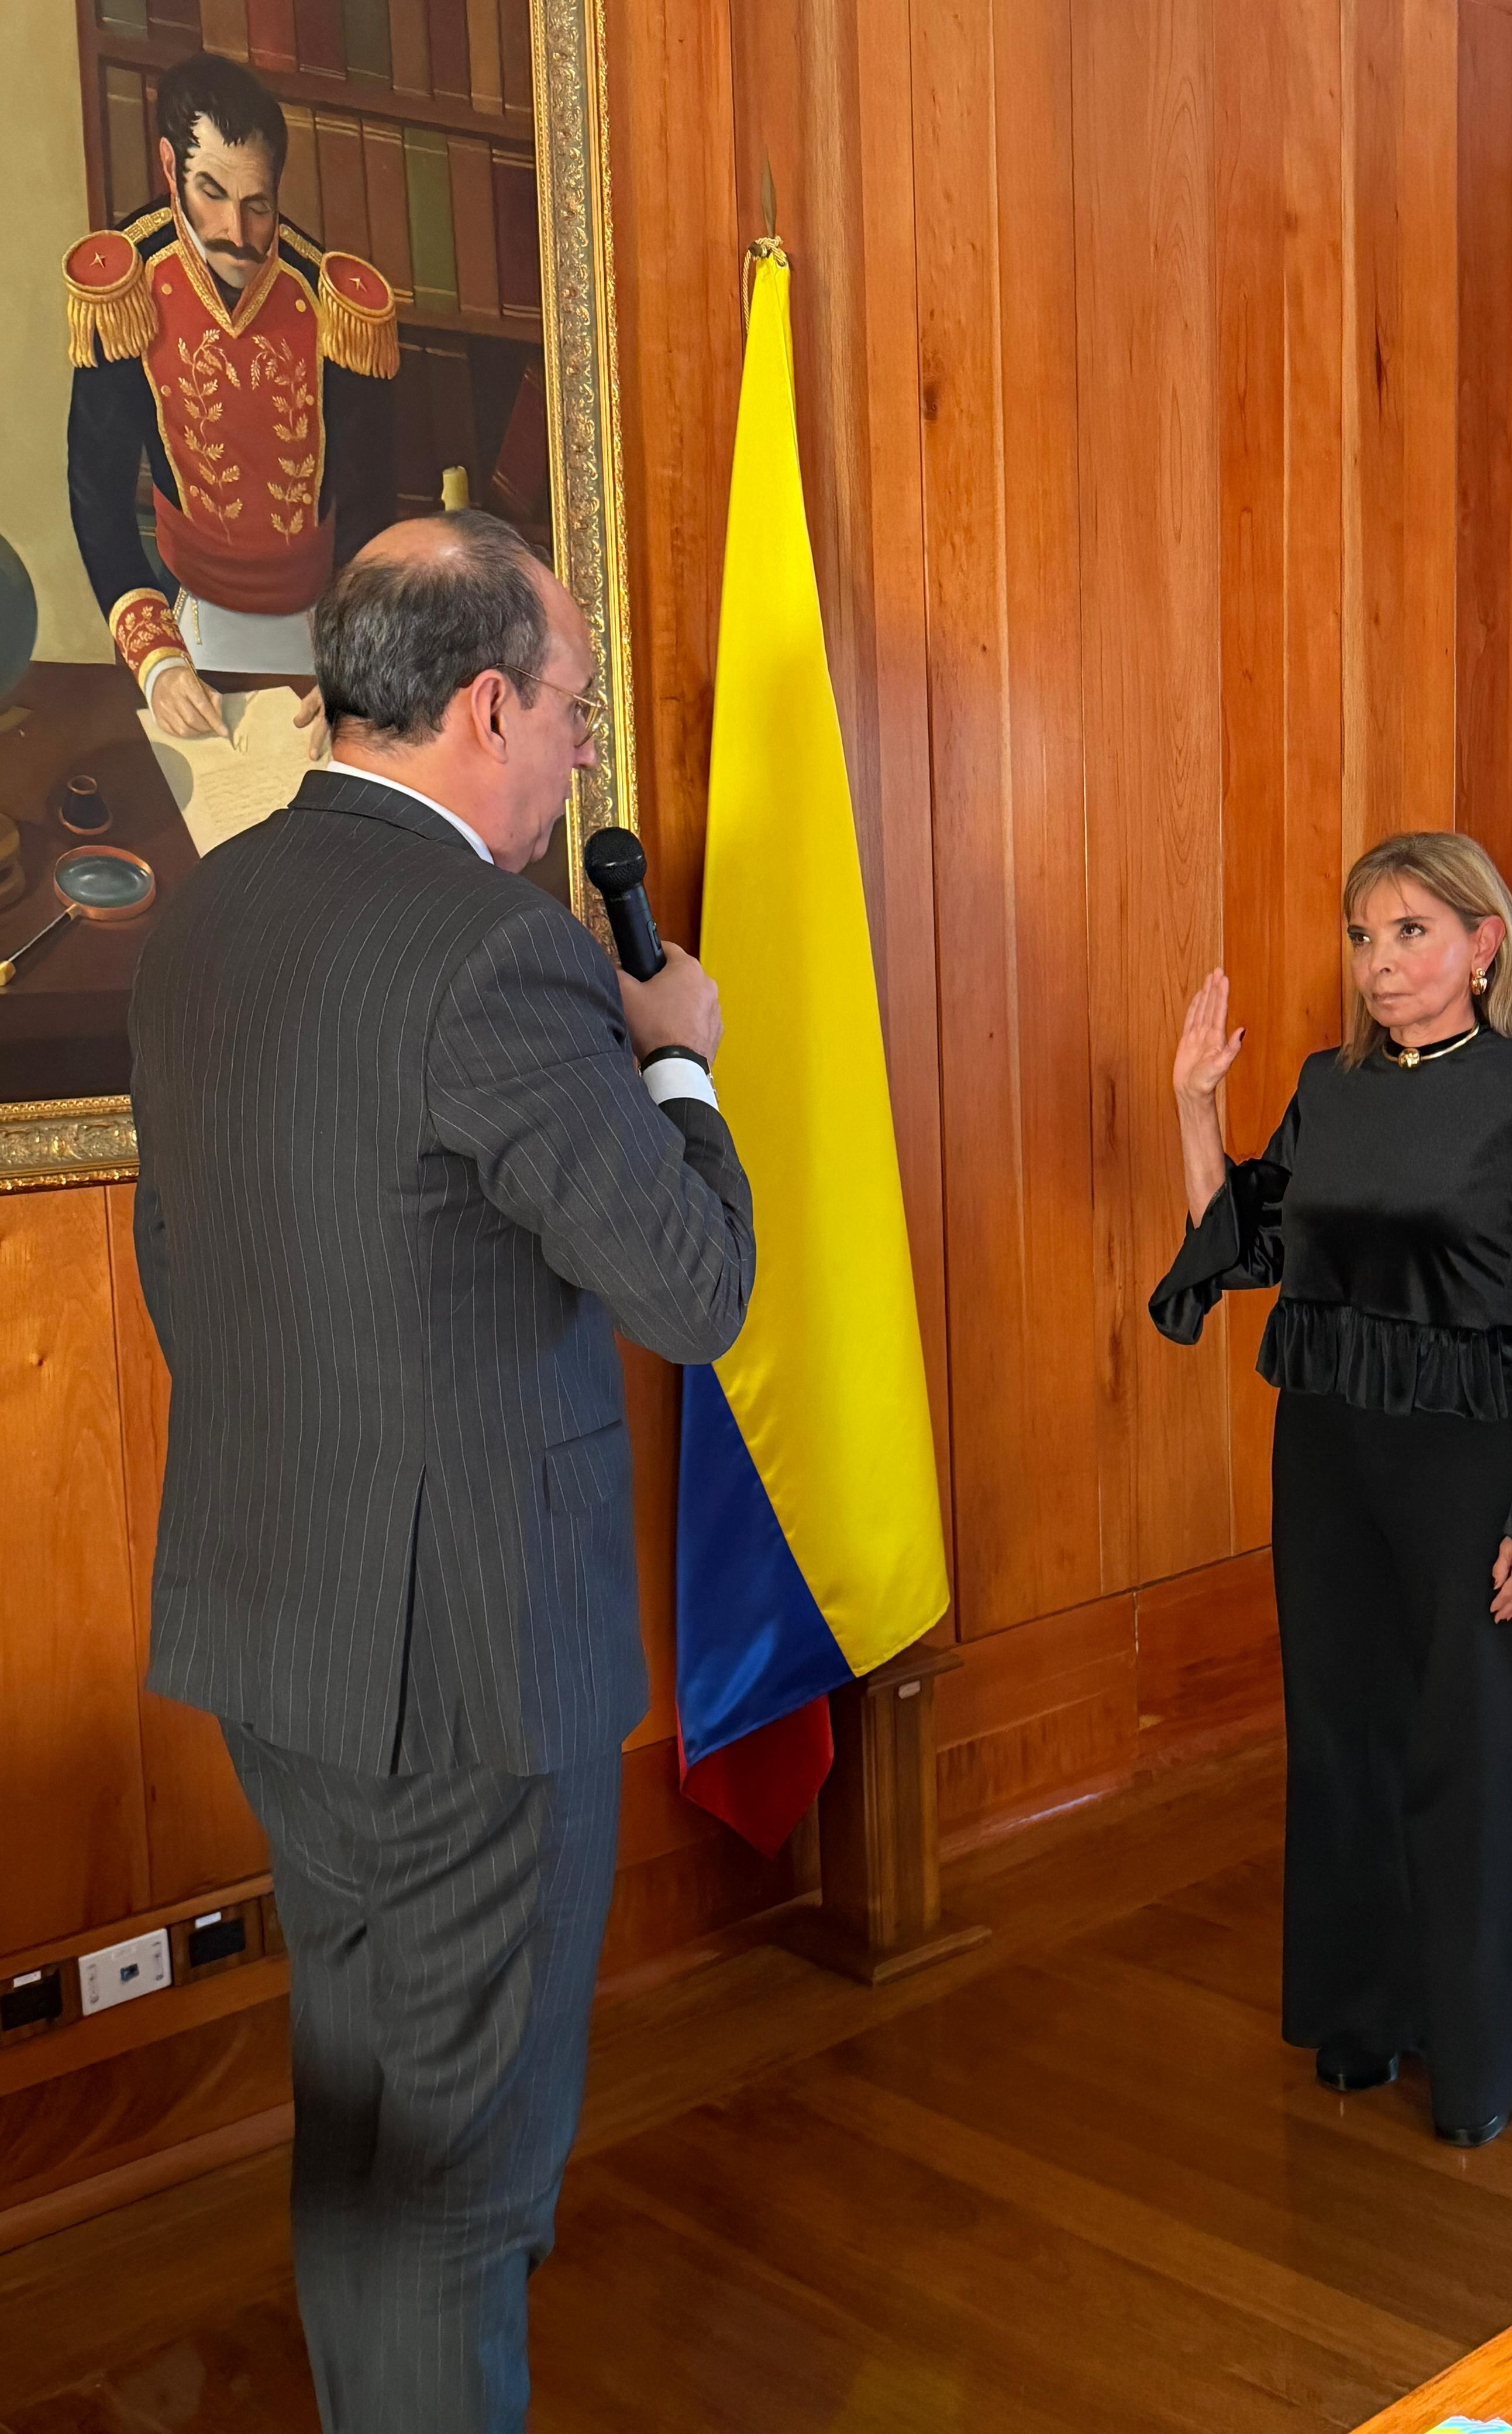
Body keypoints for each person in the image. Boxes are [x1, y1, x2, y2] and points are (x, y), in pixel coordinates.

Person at [128, 510, 753, 2432]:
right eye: (573, 710)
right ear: (485, 702)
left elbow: (198, 1267)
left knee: (367, 2124)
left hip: (275, 1620)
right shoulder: (504, 958)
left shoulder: (208, 909)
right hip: (463, 1666)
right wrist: (680, 1064)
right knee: (460, 2184)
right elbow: (692, 1289)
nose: (579, 753)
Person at [1152, 830, 1512, 2148]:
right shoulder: (1329, 1086)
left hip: (1473, 1469)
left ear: (1484, 945)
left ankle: (1479, 2057)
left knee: (1467, 1751)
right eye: (1365, 937)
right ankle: (1362, 2020)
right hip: (1326, 1458)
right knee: (1344, 1735)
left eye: (1411, 933)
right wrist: (1198, 1105)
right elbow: (1240, 1246)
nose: (1380, 963)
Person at [65, 49, 397, 740]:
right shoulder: (125, 285)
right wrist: (157, 663)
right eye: (212, 194)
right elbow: (97, 492)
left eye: (258, 205)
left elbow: (370, 505)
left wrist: (352, 664)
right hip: (185, 617)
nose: (238, 235)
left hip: (320, 629)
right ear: (169, 167)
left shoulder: (329, 300)